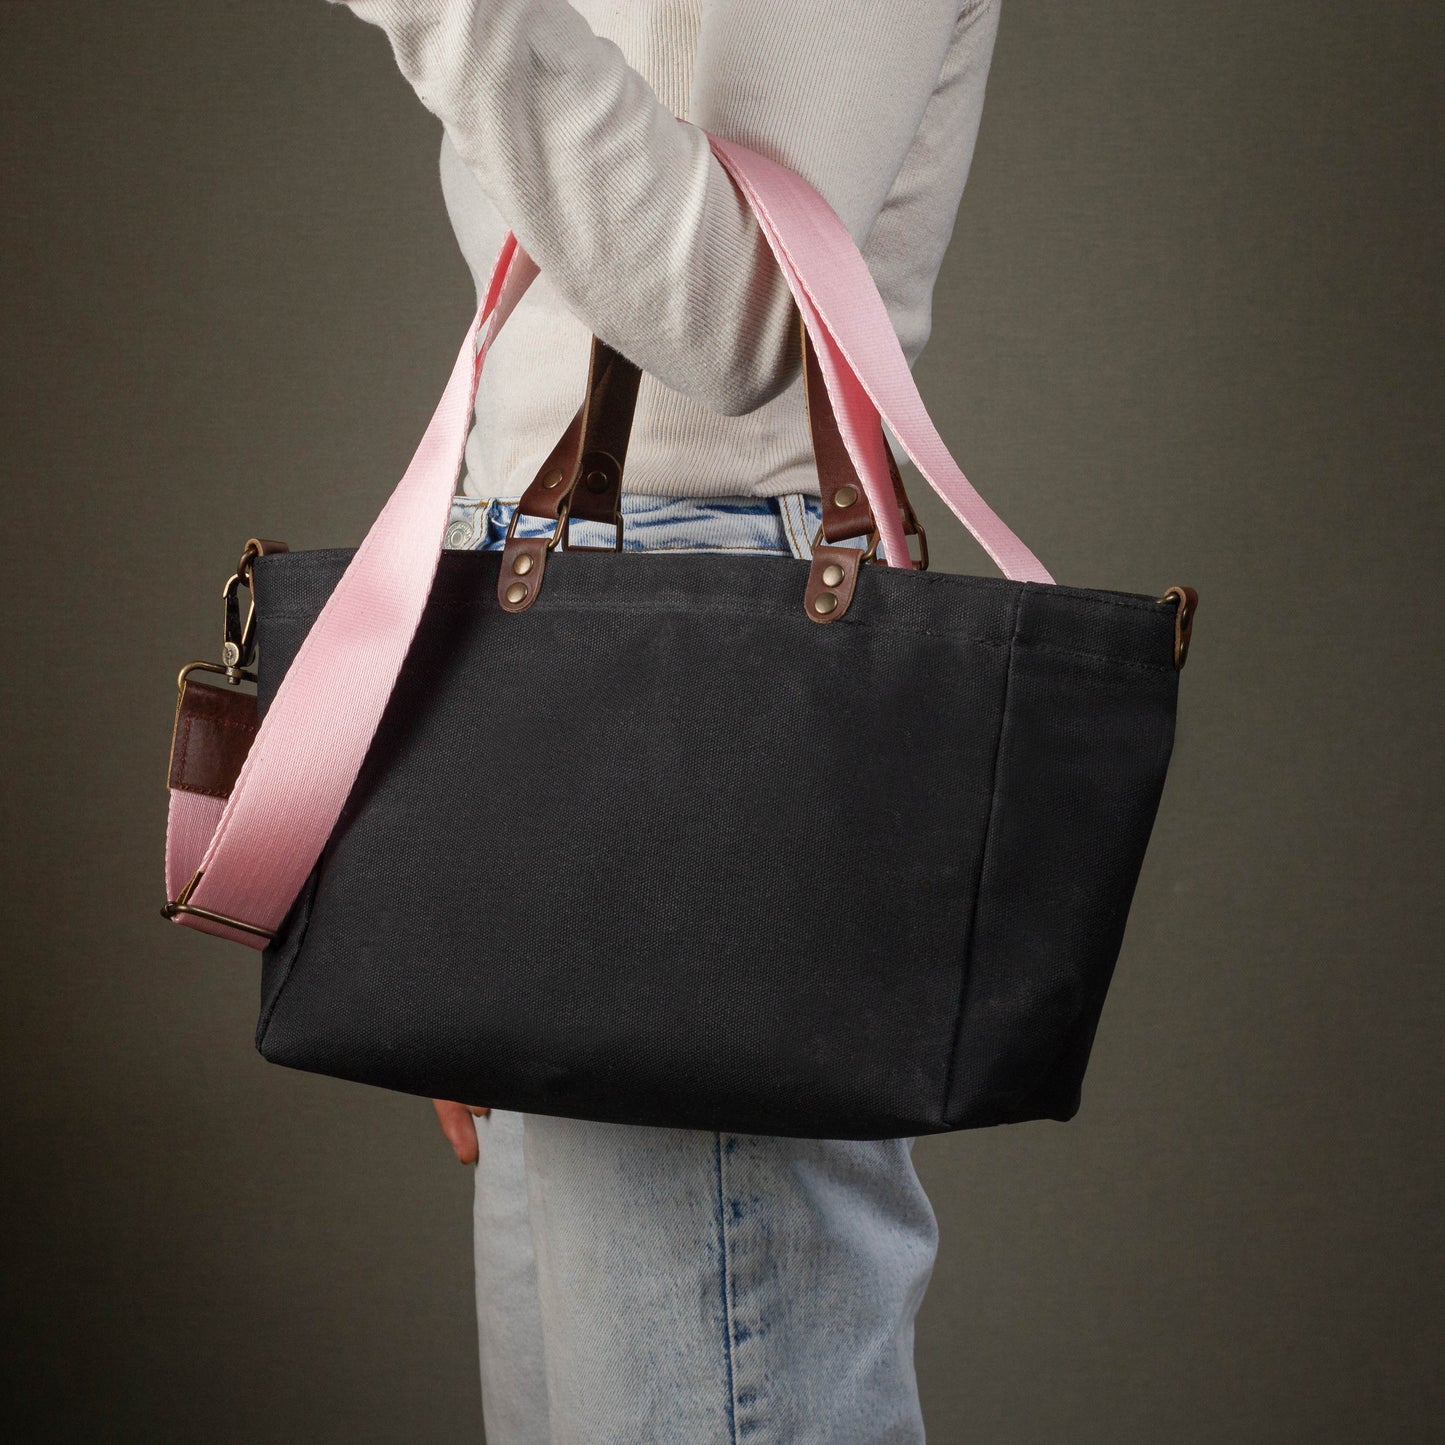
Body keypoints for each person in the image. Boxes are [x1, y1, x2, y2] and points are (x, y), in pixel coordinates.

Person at [325, 3, 1003, 1441]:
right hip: (552, 642)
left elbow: (744, 309)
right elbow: (549, 352)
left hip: (711, 661)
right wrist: (478, 901)